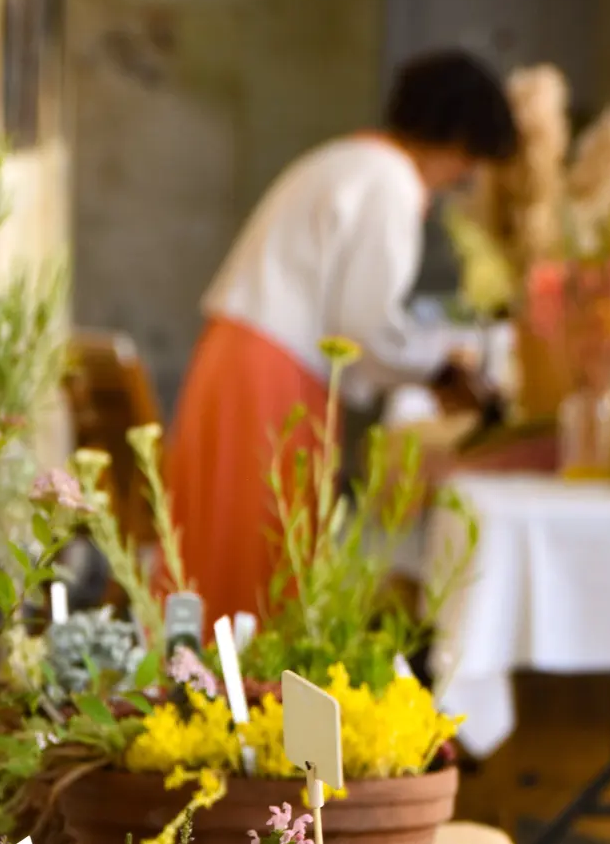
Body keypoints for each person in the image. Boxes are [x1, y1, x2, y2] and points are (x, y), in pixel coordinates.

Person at [167, 50, 517, 622]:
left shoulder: (350, 158)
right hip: (271, 373)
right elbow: (364, 326)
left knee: (217, 546)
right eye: (470, 159)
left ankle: (204, 697)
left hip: (240, 356)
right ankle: (238, 702)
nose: (467, 177)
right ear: (456, 140)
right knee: (257, 555)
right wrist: (439, 369)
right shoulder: (390, 183)